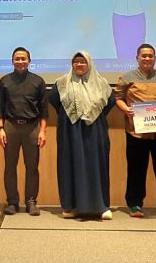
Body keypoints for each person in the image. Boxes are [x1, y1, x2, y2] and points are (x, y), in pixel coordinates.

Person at [48, 51, 115, 220]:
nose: (79, 64)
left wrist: (92, 115)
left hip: (95, 131)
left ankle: (101, 206)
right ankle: (71, 207)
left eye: (83, 61)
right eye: (76, 61)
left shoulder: (101, 83)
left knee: (97, 165)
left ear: (89, 63)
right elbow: (54, 100)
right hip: (70, 131)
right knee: (70, 164)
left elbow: (110, 102)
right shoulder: (62, 83)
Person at [116, 44, 156, 218]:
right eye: (143, 56)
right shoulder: (127, 78)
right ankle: (135, 204)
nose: (147, 58)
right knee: (136, 169)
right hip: (137, 132)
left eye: (150, 56)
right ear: (137, 58)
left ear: (155, 58)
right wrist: (126, 109)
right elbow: (118, 98)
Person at [0, 47, 48, 216]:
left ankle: (31, 201)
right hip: (10, 127)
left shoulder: (38, 81)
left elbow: (44, 110)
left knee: (32, 166)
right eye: (17, 59)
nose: (20, 61)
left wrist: (43, 131)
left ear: (29, 61)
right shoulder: (4, 81)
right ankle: (12, 202)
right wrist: (0, 129)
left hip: (32, 128)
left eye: (23, 59)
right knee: (10, 166)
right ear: (12, 61)